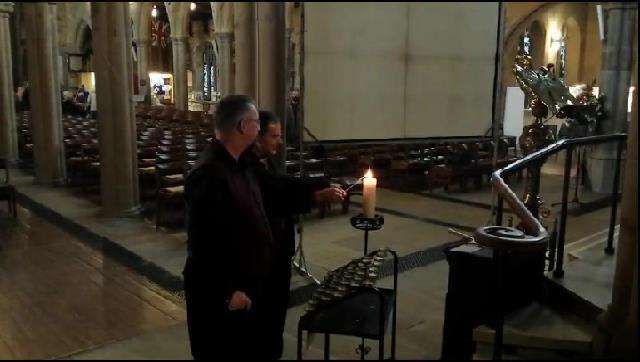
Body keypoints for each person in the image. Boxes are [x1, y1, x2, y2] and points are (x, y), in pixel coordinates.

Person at [183, 95, 345, 359]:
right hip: (222, 298)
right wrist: (227, 292)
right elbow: (203, 244)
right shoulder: (209, 174)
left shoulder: (241, 163)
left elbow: (275, 186)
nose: (260, 128)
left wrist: (318, 188)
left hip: (247, 288)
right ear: (243, 126)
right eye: (257, 123)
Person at [252, 110, 333, 359]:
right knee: (267, 317)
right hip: (266, 257)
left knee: (276, 314)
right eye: (274, 136)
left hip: (279, 252)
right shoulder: (249, 167)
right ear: (257, 137)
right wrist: (315, 195)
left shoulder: (267, 161)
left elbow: (282, 183)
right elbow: (273, 193)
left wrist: (318, 184)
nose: (280, 141)